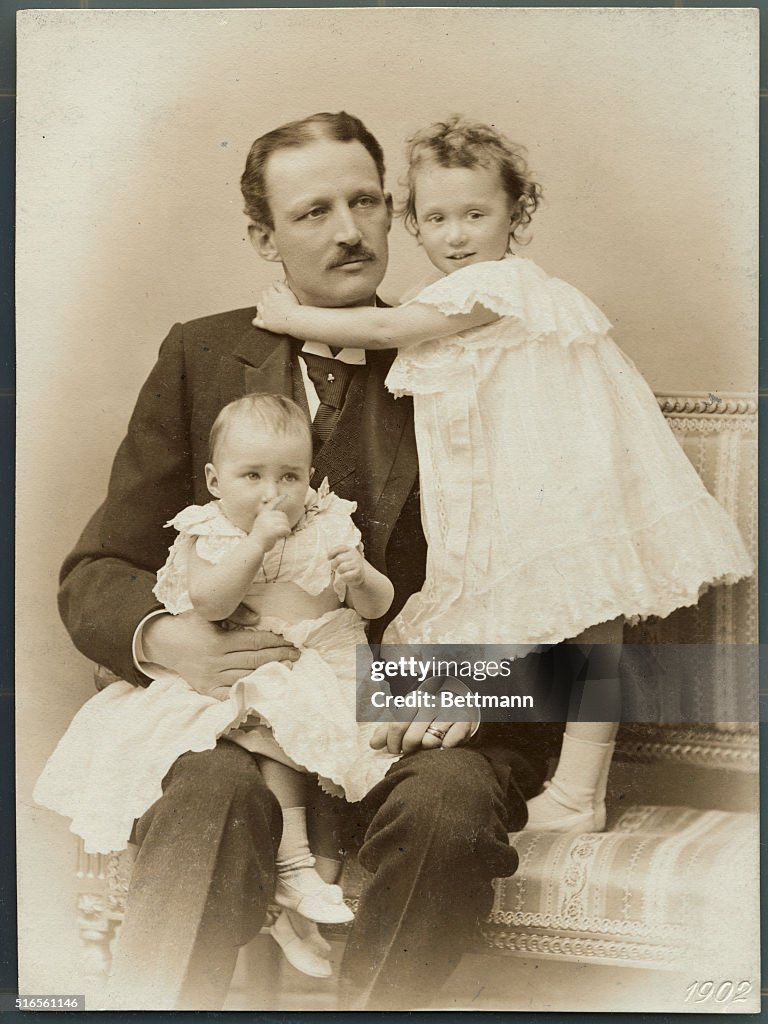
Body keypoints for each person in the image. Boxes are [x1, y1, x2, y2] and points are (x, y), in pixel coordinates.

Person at [57, 110, 557, 1010]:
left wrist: (474, 688)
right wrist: (170, 639)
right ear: (263, 236)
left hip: (409, 701)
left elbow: (566, 579)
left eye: (366, 200)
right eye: (314, 210)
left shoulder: (478, 355)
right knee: (209, 791)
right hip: (241, 706)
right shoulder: (200, 353)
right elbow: (97, 569)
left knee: (447, 801)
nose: (348, 229)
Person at [253, 115, 753, 835]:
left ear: (517, 216)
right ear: (414, 226)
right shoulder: (462, 295)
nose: (457, 235)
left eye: (476, 215)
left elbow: (389, 331)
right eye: (437, 218)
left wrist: (290, 314)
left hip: (559, 485)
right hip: (526, 487)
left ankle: (579, 792)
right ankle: (556, 786)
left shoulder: (498, 285)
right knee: (576, 627)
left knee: (588, 622)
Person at [38, 392, 407, 972]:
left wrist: (360, 577)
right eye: (252, 475)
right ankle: (291, 873)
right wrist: (257, 541)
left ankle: (297, 907)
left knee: (344, 766)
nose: (273, 492)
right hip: (251, 670)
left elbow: (379, 603)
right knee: (264, 756)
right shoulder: (209, 531)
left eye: (290, 476)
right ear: (214, 480)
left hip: (338, 664)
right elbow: (208, 601)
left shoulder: (329, 520)